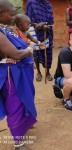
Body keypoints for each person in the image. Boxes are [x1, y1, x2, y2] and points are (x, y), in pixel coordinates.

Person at [0, 0, 37, 149]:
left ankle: (24, 127)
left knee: (25, 99)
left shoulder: (6, 29)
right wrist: (30, 49)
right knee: (15, 104)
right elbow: (15, 54)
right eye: (11, 14)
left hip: (20, 72)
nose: (14, 17)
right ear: (1, 14)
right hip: (11, 75)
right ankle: (18, 143)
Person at [26, 0, 54, 82]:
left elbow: (51, 20)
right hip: (34, 31)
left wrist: (44, 24)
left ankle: (47, 72)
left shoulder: (48, 4)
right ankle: (38, 72)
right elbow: (27, 19)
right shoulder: (31, 2)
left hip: (47, 31)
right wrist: (36, 25)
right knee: (36, 52)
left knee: (48, 52)